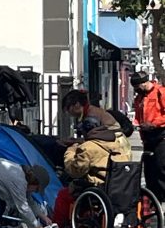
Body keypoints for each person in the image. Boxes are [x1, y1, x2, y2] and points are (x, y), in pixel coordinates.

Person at [62, 89, 132, 189]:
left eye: (69, 110)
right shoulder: (90, 112)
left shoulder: (92, 116)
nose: (70, 114)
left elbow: (92, 144)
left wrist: (72, 148)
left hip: (109, 153)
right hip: (119, 155)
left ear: (77, 105)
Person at [132, 72, 165, 202]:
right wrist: (137, 124)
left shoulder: (160, 92)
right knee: (150, 171)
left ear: (145, 83)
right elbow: (138, 116)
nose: (136, 90)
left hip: (161, 135)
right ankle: (154, 201)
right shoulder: (139, 98)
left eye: (137, 86)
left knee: (161, 168)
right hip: (147, 137)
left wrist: (153, 124)